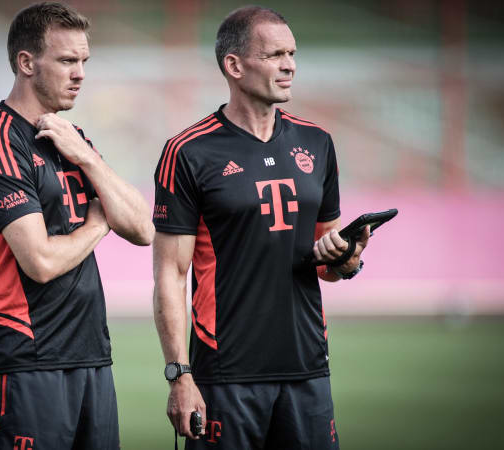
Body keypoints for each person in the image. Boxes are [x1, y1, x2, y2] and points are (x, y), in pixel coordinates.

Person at [152, 6, 370, 449]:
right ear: (234, 65)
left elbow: (328, 265)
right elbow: (170, 275)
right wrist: (180, 375)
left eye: (292, 53)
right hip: (226, 374)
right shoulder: (187, 152)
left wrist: (348, 258)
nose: (290, 65)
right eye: (275, 55)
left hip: (308, 368)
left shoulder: (317, 143)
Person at [0, 3, 154, 449]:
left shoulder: (71, 138)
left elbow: (143, 228)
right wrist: (98, 227)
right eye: (67, 61)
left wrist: (86, 157)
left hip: (91, 359)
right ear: (27, 63)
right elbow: (40, 261)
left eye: (84, 61)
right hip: (26, 363)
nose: (80, 73)